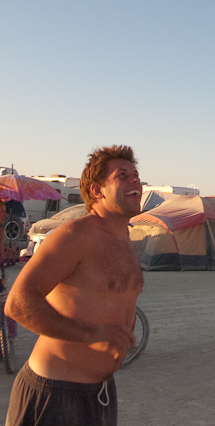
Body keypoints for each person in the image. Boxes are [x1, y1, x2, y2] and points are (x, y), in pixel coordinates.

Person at [5, 145, 144, 426]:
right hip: (53, 392)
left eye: (136, 175)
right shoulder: (74, 236)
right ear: (97, 191)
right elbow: (18, 304)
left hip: (100, 393)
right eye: (123, 175)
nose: (135, 181)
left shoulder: (125, 241)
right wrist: (92, 333)